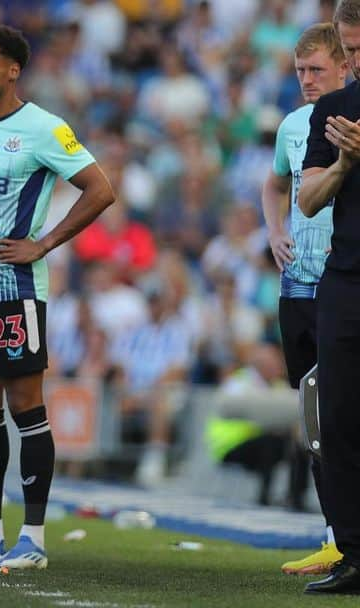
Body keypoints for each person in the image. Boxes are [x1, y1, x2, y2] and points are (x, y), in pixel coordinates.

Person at [0, 25, 115, 571]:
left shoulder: (44, 128)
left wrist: (45, 243)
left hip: (15, 293)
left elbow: (100, 189)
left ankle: (33, 538)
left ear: (12, 70)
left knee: (26, 407)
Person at [260, 22, 347, 576]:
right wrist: (273, 231)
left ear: (344, 65)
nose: (308, 80)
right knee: (314, 416)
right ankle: (336, 535)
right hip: (299, 289)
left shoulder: (347, 119)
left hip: (343, 285)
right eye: (300, 71)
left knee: (344, 413)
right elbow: (274, 184)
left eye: (317, 69)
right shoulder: (293, 126)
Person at [297, 0, 360, 595]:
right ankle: (354, 552)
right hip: (344, 278)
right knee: (337, 419)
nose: (355, 62)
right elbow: (308, 199)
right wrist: (345, 162)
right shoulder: (335, 112)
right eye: (350, 51)